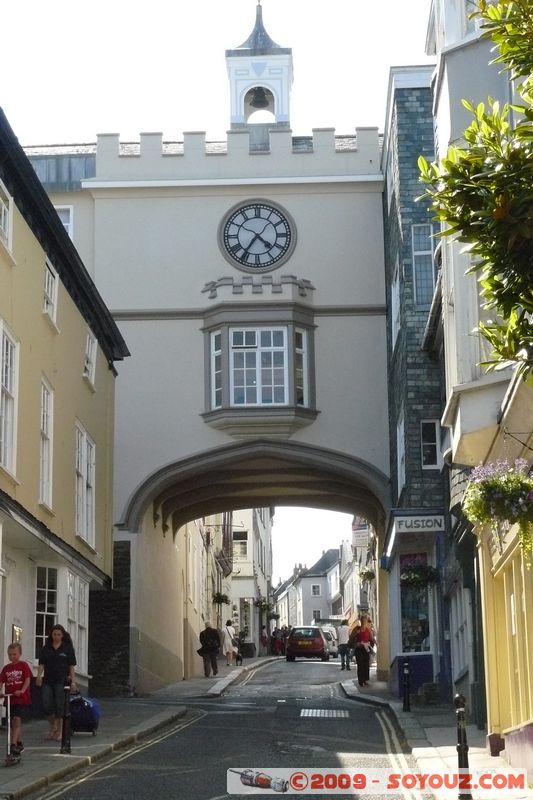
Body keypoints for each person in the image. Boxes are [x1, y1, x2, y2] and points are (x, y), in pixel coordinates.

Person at [35, 624, 77, 741]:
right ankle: (53, 725)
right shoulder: (46, 648)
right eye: (54, 634)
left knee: (60, 706)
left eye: (59, 634)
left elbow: (71, 666)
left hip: (61, 680)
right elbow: (41, 663)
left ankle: (60, 731)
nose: (56, 636)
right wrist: (39, 676)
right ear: (51, 635)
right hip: (48, 680)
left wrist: (73, 682)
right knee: (46, 705)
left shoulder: (67, 648)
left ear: (62, 635)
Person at [0, 642, 33, 756]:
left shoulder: (23, 665)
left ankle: (13, 745)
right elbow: (1, 681)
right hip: (10, 700)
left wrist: (22, 691)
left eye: (14, 654)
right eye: (10, 654)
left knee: (17, 720)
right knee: (12, 722)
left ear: (20, 654)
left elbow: (28, 680)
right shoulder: (6, 668)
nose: (12, 657)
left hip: (21, 699)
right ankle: (19, 743)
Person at [351, 615, 375, 687]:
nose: (364, 622)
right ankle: (360, 680)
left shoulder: (368, 630)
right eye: (362, 621)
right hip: (359, 649)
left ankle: (365, 680)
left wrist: (375, 643)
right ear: (360, 621)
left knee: (366, 665)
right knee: (360, 665)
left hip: (366, 649)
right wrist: (356, 634)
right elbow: (351, 638)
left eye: (365, 621)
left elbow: (371, 638)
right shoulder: (356, 629)